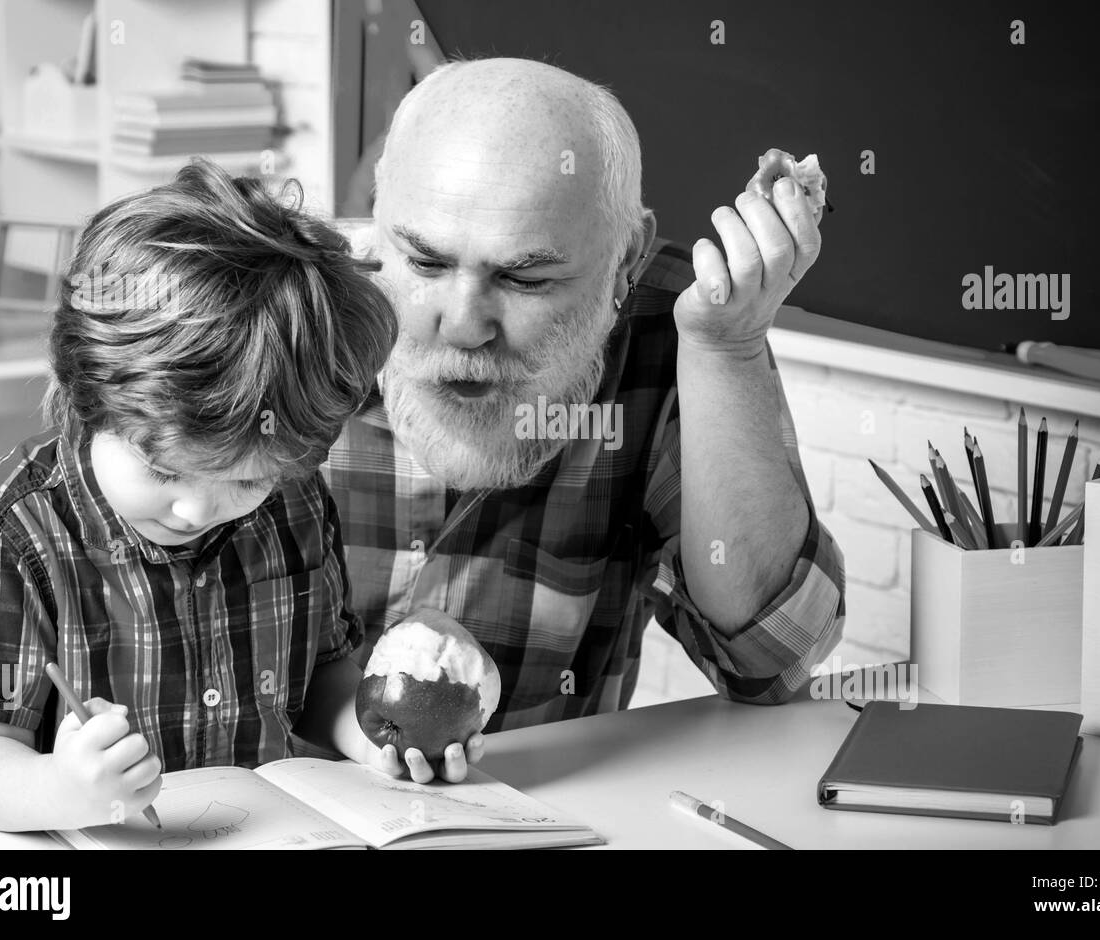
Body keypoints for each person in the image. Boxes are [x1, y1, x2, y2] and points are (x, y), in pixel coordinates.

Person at [326, 57, 847, 785]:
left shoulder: (679, 330)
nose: (465, 325)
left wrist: (727, 351)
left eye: (524, 277)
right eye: (425, 261)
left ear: (624, 260)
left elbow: (770, 663)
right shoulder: (276, 313)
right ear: (377, 229)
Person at [0, 160, 402, 830]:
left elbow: (323, 675)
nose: (197, 510)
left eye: (245, 479)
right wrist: (62, 788)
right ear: (87, 398)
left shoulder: (296, 505)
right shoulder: (7, 528)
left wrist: (372, 731)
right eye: (164, 471)